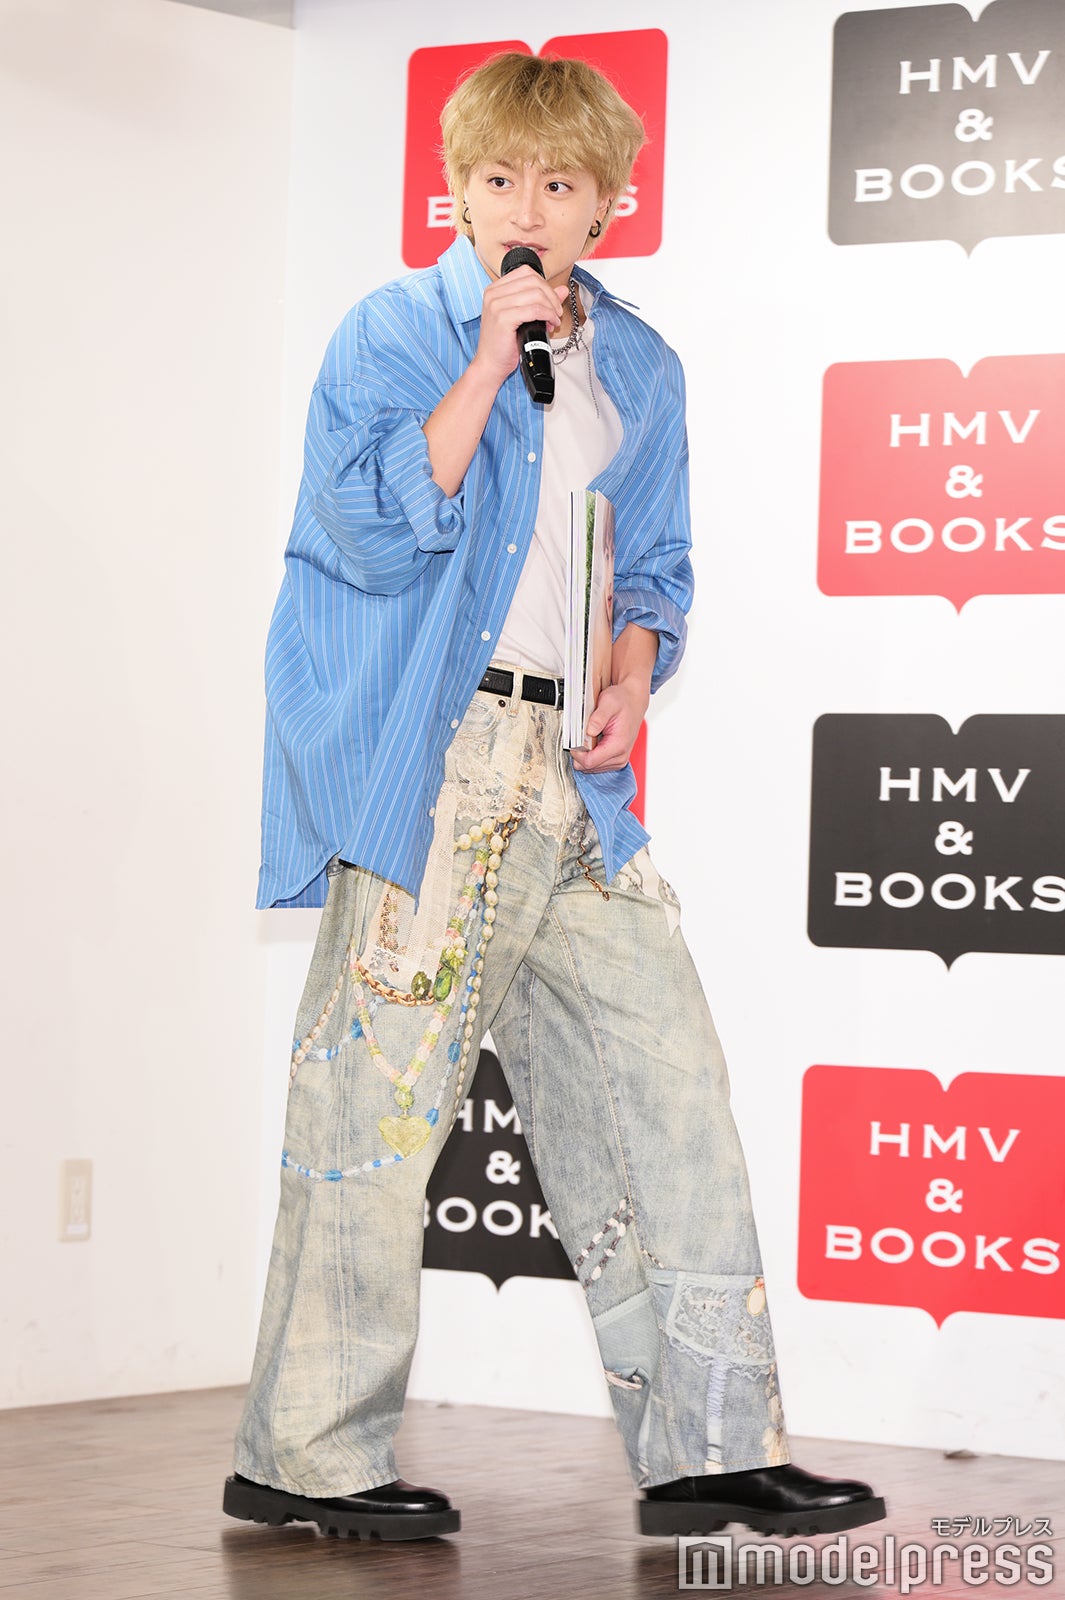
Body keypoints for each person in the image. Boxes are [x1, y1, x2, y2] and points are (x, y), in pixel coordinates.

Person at [222, 52, 886, 1543]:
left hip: (576, 779)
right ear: (456, 192)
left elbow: (654, 568)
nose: (525, 207)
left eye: (559, 183)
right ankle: (305, 1454)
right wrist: (483, 364)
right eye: (497, 178)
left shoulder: (638, 365)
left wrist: (635, 673)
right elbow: (364, 528)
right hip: (433, 759)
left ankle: (709, 1450)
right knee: (375, 1106)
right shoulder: (395, 331)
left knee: (667, 1093)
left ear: (608, 205)